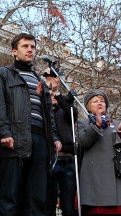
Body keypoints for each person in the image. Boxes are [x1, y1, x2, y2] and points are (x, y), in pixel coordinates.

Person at [0, 32, 61, 216]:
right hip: (15, 139)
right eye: (25, 46)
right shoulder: (4, 74)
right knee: (9, 197)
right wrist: (4, 132)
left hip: (41, 142)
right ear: (14, 51)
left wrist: (54, 138)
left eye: (33, 47)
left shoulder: (40, 81)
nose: (30, 50)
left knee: (37, 198)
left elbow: (48, 114)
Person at [78, 89, 121, 215]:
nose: (100, 103)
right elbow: (83, 142)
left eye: (102, 101)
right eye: (95, 101)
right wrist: (96, 125)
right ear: (88, 107)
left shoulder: (115, 123)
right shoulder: (83, 123)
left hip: (116, 178)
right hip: (94, 178)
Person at [44, 72, 78, 216]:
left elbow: (72, 113)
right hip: (48, 161)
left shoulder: (64, 110)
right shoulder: (43, 112)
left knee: (68, 206)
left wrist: (57, 93)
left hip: (66, 162)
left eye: (54, 97)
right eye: (49, 96)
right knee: (47, 202)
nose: (52, 98)